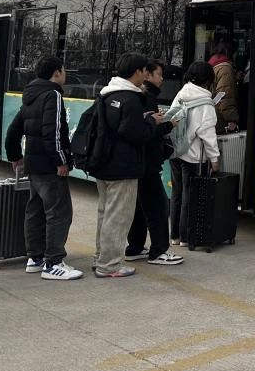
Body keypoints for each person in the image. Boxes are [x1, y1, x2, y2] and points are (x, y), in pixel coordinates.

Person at [5, 55, 82, 281]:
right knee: (59, 213)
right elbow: (53, 132)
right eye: (64, 71)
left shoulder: (30, 95)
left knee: (36, 211)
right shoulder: (53, 95)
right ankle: (54, 263)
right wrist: (61, 161)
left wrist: (15, 156)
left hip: (34, 164)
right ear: (56, 72)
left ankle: (35, 258)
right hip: (49, 166)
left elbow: (13, 130)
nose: (65, 75)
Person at [91, 53, 162, 278]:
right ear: (138, 72)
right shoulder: (131, 98)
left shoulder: (107, 93)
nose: (146, 76)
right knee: (118, 217)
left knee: (105, 213)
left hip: (103, 162)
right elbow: (134, 133)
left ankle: (101, 257)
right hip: (123, 166)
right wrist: (151, 122)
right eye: (145, 71)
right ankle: (109, 265)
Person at [124, 60, 183, 266]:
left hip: (139, 162)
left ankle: (135, 247)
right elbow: (147, 131)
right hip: (147, 162)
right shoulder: (147, 97)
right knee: (158, 207)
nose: (162, 78)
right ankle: (159, 251)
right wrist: (167, 125)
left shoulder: (139, 96)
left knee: (140, 207)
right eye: (159, 74)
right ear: (146, 74)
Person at [169, 61, 222, 244]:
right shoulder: (206, 104)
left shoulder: (182, 93)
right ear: (208, 80)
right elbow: (208, 134)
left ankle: (175, 236)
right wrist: (215, 158)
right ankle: (186, 237)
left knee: (176, 194)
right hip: (192, 157)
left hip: (175, 152)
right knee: (189, 196)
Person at [209, 43, 239, 133]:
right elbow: (224, 96)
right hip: (219, 118)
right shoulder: (225, 69)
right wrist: (231, 119)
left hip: (211, 115)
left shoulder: (213, 65)